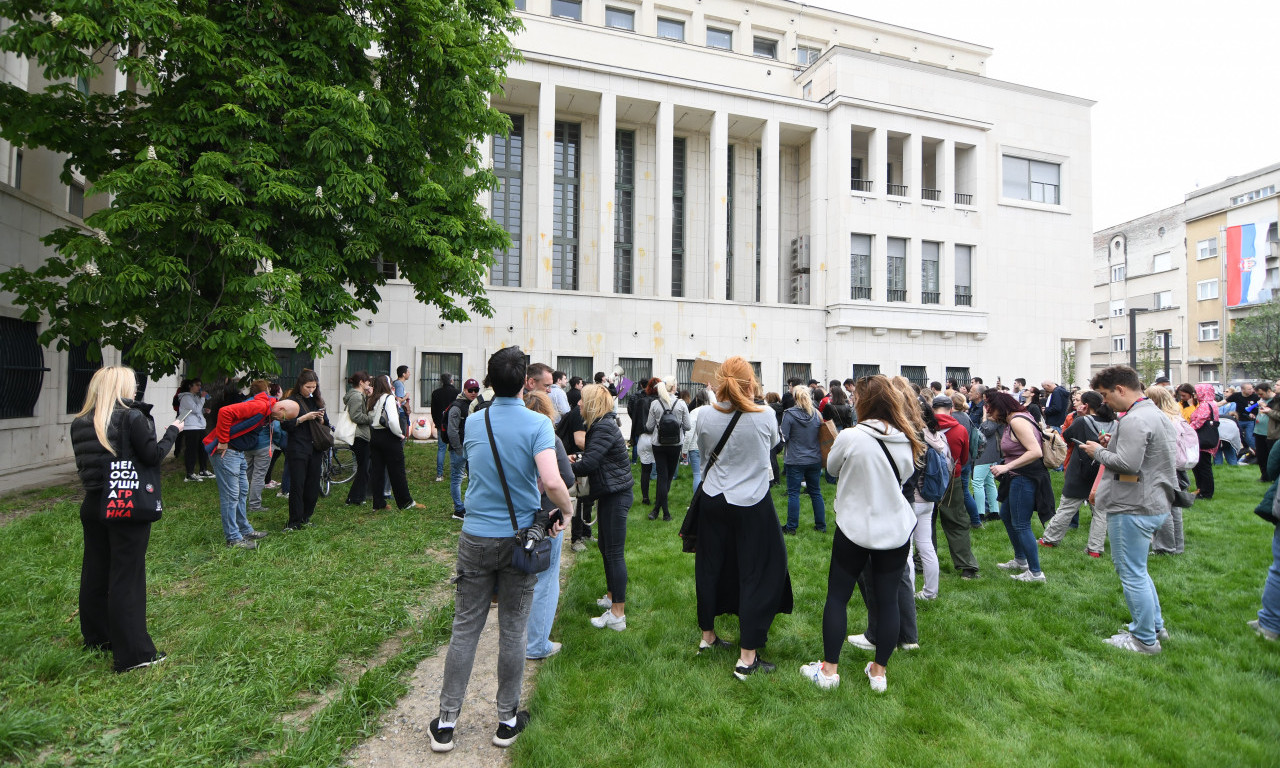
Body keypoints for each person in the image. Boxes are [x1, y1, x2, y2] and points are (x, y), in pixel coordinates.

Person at [429, 347, 573, 753]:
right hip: (519, 538)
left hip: (475, 536)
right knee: (513, 629)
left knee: (465, 628)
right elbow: (552, 479)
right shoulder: (538, 425)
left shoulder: (474, 422)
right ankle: (507, 721)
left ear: (490, 381)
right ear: (525, 380)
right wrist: (567, 509)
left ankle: (446, 722)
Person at [801, 375, 922, 691]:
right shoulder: (905, 437)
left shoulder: (851, 437)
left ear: (863, 403)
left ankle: (829, 671)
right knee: (888, 600)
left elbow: (831, 469)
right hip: (893, 527)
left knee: (838, 597)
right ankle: (879, 672)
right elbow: (905, 474)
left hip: (853, 527)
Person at [71, 366, 183, 672]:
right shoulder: (131, 416)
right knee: (127, 577)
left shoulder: (80, 421)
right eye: (132, 386)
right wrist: (173, 431)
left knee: (96, 571)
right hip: (125, 505)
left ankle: (97, 638)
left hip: (93, 503)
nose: (135, 391)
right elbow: (153, 456)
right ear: (122, 387)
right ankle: (134, 654)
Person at [693, 357, 793, 680]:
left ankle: (708, 636)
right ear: (751, 383)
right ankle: (746, 658)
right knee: (759, 571)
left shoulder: (704, 415)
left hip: (713, 499)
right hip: (751, 503)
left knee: (709, 567)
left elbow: (706, 450)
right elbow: (772, 451)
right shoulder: (764, 416)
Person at [1081, 365, 1177, 655]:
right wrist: (1117, 443)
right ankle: (1155, 627)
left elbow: (1129, 465)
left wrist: (1097, 452)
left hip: (1133, 506)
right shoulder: (1155, 413)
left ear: (1120, 390)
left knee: (1131, 573)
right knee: (1140, 570)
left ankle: (1144, 640)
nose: (1104, 402)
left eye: (1105, 395)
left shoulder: (1135, 419)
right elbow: (1144, 455)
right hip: (1154, 502)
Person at [204, 383, 298, 548]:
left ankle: (244, 530)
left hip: (238, 452)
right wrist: (224, 441)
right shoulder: (260, 406)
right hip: (227, 453)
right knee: (231, 495)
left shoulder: (266, 409)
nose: (281, 421)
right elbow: (225, 412)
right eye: (284, 418)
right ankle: (233, 538)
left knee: (242, 491)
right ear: (281, 409)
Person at [572, 384, 635, 631]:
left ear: (592, 404)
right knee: (606, 548)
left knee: (614, 552)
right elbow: (591, 460)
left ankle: (618, 614)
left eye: (581, 400)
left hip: (616, 495)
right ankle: (611, 597)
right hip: (611, 493)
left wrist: (558, 466)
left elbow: (589, 464)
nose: (578, 404)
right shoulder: (602, 425)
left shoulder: (603, 427)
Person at [523, 391, 576, 660]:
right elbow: (564, 479)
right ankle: (537, 644)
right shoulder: (548, 437)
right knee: (545, 580)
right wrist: (567, 510)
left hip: (514, 517)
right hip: (545, 518)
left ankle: (522, 637)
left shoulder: (513, 436)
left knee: (520, 579)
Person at [985, 390, 1051, 583]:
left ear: (1002, 407)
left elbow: (1035, 451)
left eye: (991, 409)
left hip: (1025, 477)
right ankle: (1020, 560)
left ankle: (1036, 573)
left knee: (1021, 523)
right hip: (1018, 477)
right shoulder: (1017, 418)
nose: (989, 413)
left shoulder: (1017, 421)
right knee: (1006, 514)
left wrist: (1007, 467)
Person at [1038, 391, 1115, 553]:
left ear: (1085, 405)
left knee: (1066, 508)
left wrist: (1078, 416)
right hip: (1103, 471)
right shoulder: (1115, 423)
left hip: (1080, 471)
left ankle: (1050, 539)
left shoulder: (1081, 421)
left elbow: (1065, 436)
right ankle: (1095, 549)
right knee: (1101, 512)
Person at [931, 395, 978, 579]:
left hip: (926, 480)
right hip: (952, 478)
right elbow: (965, 459)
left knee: (925, 522)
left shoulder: (923, 428)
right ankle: (967, 566)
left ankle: (922, 562)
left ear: (933, 408)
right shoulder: (959, 430)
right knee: (957, 522)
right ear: (951, 409)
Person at [278, 370, 331, 531]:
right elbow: (284, 425)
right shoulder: (291, 401)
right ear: (300, 385)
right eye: (308, 387)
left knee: (312, 485)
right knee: (297, 485)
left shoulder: (317, 401)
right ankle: (294, 521)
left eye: (314, 387)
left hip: (315, 448)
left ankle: (305, 517)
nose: (311, 390)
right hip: (298, 448)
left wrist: (321, 419)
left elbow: (326, 424)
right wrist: (303, 418)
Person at [1146, 386, 1194, 556]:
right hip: (1177, 467)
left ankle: (1164, 547)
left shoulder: (1162, 419)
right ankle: (1176, 547)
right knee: (1175, 507)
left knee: (1163, 507)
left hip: (1164, 466)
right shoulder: (1176, 416)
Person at [781, 386, 826, 535]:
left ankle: (791, 527)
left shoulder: (789, 414)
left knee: (794, 493)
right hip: (814, 458)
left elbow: (785, 437)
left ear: (794, 398)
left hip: (795, 459)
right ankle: (821, 525)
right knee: (816, 492)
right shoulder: (816, 414)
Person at [646, 376, 690, 522]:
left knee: (662, 477)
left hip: (658, 444)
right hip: (675, 444)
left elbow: (649, 427)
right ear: (674, 387)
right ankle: (664, 512)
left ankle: (657, 510)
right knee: (668, 478)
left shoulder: (655, 403)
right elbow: (688, 426)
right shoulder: (681, 403)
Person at [445, 379, 481, 520]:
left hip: (471, 449)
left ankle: (470, 506)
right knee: (457, 478)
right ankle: (458, 509)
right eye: (470, 390)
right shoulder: (457, 406)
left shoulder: (475, 404)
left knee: (473, 478)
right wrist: (458, 449)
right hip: (459, 449)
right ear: (464, 390)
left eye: (476, 390)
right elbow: (452, 430)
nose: (473, 393)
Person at [342, 371, 375, 505]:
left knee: (364, 468)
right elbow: (356, 416)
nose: (369, 384)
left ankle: (359, 497)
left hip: (360, 435)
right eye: (367, 381)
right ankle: (354, 498)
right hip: (360, 436)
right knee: (363, 469)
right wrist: (371, 418)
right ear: (361, 382)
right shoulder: (356, 396)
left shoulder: (357, 395)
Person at [242, 380, 274, 515]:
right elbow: (277, 426)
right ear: (265, 389)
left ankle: (240, 503)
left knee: (244, 474)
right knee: (259, 476)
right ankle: (255, 505)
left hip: (246, 444)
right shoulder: (271, 402)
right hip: (264, 444)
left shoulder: (245, 403)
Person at [630, 378, 660, 503]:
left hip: (644, 437)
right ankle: (660, 499)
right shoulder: (661, 402)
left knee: (645, 470)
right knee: (661, 470)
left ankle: (645, 498)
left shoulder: (641, 402)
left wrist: (633, 439)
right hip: (658, 438)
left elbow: (635, 421)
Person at [972, 406, 1002, 523]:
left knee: (977, 482)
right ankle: (994, 512)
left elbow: (986, 430)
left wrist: (985, 416)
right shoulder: (996, 415)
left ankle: (980, 514)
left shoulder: (995, 415)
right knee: (989, 482)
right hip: (992, 452)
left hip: (987, 453)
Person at [1188, 382, 1218, 501]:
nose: (1195, 395)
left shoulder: (1205, 405)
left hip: (1202, 440)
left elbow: (1199, 420)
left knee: (1203, 467)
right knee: (1203, 466)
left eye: (1197, 392)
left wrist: (1187, 429)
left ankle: (1205, 492)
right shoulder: (1212, 403)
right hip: (1208, 438)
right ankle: (1202, 490)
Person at [177, 378, 211, 481]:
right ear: (190, 386)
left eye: (200, 385)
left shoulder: (195, 396)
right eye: (197, 385)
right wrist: (203, 398)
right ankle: (189, 473)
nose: (199, 387)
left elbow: (198, 409)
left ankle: (203, 470)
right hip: (191, 426)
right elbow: (195, 409)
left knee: (203, 448)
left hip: (199, 425)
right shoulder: (185, 397)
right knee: (191, 450)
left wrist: (204, 410)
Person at [431, 373, 460, 482]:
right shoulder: (457, 393)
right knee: (454, 448)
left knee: (441, 448)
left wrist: (437, 423)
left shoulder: (436, 393)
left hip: (441, 425)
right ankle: (457, 472)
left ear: (441, 382)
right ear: (451, 381)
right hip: (454, 425)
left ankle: (439, 475)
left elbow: (433, 410)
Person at [685, 389, 711, 490]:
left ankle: (696, 503)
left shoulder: (694, 412)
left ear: (696, 399)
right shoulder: (712, 411)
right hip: (709, 446)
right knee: (708, 475)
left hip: (695, 447)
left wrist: (684, 450)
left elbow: (689, 433)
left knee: (697, 475)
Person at [1228, 382, 1260, 458]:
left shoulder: (1255, 397)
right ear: (1243, 390)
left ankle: (1257, 453)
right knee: (1238, 437)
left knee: (1249, 437)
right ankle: (1246, 449)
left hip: (1250, 421)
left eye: (1252, 388)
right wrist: (1215, 405)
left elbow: (1260, 405)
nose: (1252, 390)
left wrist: (1254, 414)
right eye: (1249, 389)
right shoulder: (1237, 396)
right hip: (1239, 420)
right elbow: (1224, 402)